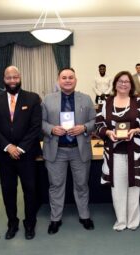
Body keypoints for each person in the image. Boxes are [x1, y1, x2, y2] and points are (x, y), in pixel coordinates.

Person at [0, 66, 42, 240]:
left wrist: (20, 148)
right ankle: (12, 223)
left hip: (27, 154)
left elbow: (36, 127)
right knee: (8, 191)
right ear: (4, 79)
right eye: (9, 77)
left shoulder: (32, 98)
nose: (12, 81)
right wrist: (8, 147)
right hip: (5, 156)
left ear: (20, 78)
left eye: (15, 77)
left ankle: (30, 223)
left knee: (30, 191)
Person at [95, 71, 140, 231]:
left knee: (134, 187)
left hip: (135, 151)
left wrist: (135, 131)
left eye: (127, 81)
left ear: (131, 85)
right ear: (115, 84)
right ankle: (121, 221)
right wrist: (108, 133)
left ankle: (133, 221)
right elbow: (98, 124)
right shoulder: (106, 102)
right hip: (113, 153)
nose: (123, 84)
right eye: (120, 81)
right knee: (117, 188)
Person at [42, 67, 96, 235]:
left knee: (81, 184)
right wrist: (51, 129)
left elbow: (95, 120)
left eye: (70, 77)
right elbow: (40, 122)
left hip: (79, 150)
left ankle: (84, 215)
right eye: (64, 77)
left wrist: (84, 127)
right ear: (59, 80)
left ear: (75, 80)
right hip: (56, 150)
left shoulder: (86, 99)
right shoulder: (47, 99)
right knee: (56, 185)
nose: (67, 80)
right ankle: (55, 219)